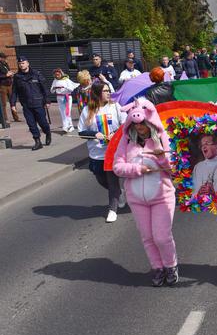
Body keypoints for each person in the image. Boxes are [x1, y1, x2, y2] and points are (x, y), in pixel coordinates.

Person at [113, 98, 179, 287]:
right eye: (136, 125)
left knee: (162, 236)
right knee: (148, 237)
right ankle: (157, 268)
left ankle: (171, 266)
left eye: (143, 124)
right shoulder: (126, 142)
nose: (140, 128)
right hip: (136, 199)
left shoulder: (163, 137)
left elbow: (173, 168)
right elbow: (117, 167)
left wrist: (162, 158)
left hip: (162, 196)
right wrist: (136, 169)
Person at [78, 82, 126, 222]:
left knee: (112, 182)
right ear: (97, 93)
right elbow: (81, 132)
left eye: (108, 90)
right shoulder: (87, 110)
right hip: (96, 153)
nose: (108, 93)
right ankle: (119, 193)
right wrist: (94, 134)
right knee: (101, 179)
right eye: (105, 91)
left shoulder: (115, 107)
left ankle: (112, 209)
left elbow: (126, 125)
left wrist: (115, 135)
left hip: (113, 152)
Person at [9, 56, 51, 150]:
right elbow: (14, 91)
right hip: (26, 104)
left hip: (38, 103)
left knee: (43, 123)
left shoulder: (37, 74)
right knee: (31, 124)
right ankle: (37, 141)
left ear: (27, 63)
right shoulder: (17, 77)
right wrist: (12, 104)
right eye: (20, 64)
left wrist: (47, 101)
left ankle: (47, 132)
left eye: (23, 63)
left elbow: (44, 88)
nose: (21, 65)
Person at [50, 68, 79, 133]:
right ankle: (65, 126)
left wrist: (64, 87)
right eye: (56, 75)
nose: (57, 76)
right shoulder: (55, 80)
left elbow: (71, 89)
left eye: (58, 74)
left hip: (67, 97)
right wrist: (54, 88)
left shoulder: (66, 80)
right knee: (62, 112)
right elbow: (51, 91)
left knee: (67, 112)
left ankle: (70, 126)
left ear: (61, 74)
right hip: (59, 97)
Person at [0, 52, 19, 123]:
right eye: (4, 58)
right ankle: (5, 119)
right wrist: (6, 75)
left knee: (12, 101)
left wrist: (11, 74)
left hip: (10, 84)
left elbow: (7, 73)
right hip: (2, 86)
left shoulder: (5, 64)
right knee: (3, 103)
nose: (5, 59)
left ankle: (16, 118)